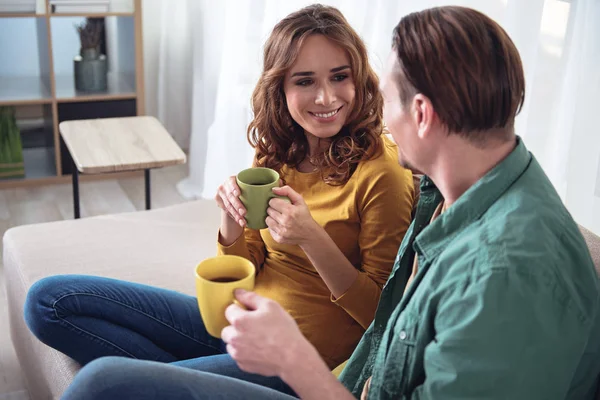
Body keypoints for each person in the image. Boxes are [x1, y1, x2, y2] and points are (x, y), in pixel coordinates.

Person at [59, 4, 600, 400]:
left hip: (315, 370)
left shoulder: (507, 272)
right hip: (319, 362)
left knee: (100, 384)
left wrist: (292, 359)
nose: (367, 110)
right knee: (60, 307)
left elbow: (369, 326)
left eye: (380, 95)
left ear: (423, 114)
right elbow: (389, 338)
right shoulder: (448, 197)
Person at [23, 4, 414, 396]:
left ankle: (162, 380)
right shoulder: (280, 150)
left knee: (100, 381)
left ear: (358, 77)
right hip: (236, 321)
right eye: (305, 81)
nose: (326, 97)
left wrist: (311, 237)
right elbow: (247, 266)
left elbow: (383, 315)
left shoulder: (382, 172)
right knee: (48, 301)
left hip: (295, 358)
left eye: (339, 76)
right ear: (281, 86)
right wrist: (232, 220)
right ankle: (175, 380)